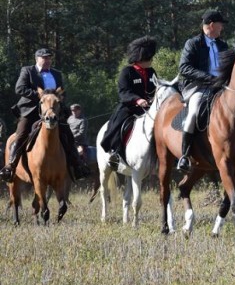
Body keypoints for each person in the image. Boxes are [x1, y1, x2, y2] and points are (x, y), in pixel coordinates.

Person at [0, 48, 89, 182]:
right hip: (31, 111)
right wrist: (40, 96)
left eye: (49, 58)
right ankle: (10, 166)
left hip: (53, 111)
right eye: (44, 58)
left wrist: (58, 98)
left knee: (68, 135)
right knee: (21, 134)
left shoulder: (56, 73)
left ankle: (77, 166)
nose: (47, 60)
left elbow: (62, 92)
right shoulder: (28, 71)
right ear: (37, 59)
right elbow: (19, 88)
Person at [177, 9, 229, 171]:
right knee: (194, 111)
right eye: (220, 25)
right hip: (199, 87)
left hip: (221, 87)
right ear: (212, 25)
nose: (222, 28)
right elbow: (184, 68)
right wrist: (208, 78)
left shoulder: (223, 45)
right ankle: (185, 156)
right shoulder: (192, 43)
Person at [100, 36, 157, 167]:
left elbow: (155, 88)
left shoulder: (151, 72)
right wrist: (137, 100)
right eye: (150, 57)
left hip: (149, 108)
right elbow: (123, 92)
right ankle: (114, 152)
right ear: (142, 57)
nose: (152, 60)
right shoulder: (127, 72)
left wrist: (153, 99)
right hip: (129, 108)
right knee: (117, 125)